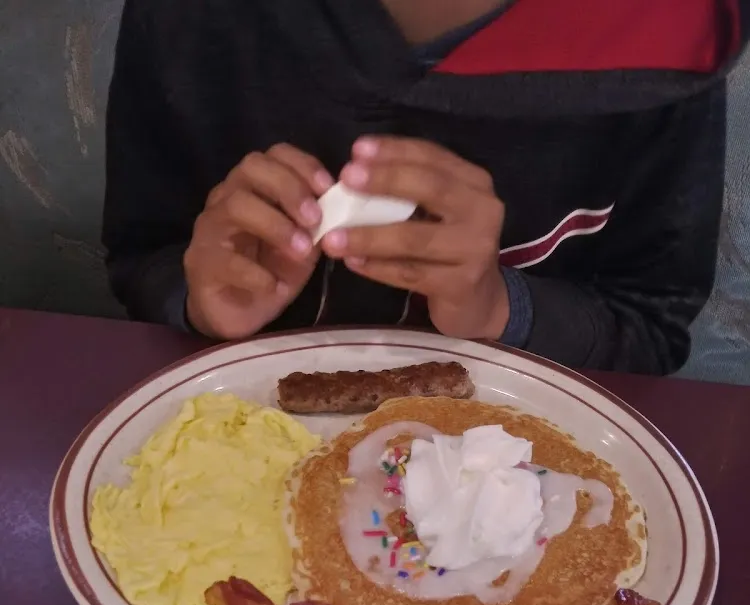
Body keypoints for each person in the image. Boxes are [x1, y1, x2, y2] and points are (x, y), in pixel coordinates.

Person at [102, 0, 748, 374]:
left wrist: (501, 309)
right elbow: (144, 255)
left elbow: (650, 327)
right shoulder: (191, 19)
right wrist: (199, 300)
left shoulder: (669, 34)